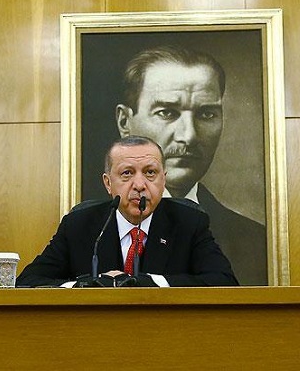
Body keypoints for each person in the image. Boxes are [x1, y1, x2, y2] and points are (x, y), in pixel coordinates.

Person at [114, 44, 267, 285]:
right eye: (167, 112)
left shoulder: (255, 241)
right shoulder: (85, 226)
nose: (189, 136)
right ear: (125, 122)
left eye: (206, 114)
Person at [16, 136, 238, 287]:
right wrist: (87, 285)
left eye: (150, 173)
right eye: (127, 173)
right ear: (108, 183)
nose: (139, 185)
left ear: (163, 180)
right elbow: (28, 282)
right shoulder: (79, 225)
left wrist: (149, 282)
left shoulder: (189, 223)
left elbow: (224, 282)